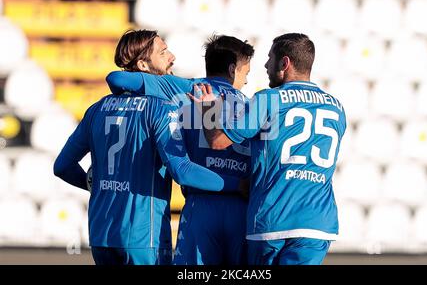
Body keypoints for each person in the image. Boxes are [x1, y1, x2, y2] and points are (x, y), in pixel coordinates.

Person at [53, 29, 236, 265]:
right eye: (163, 52)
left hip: (101, 234)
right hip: (142, 236)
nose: (172, 57)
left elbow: (62, 166)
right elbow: (182, 171)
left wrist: (95, 184)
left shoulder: (96, 109)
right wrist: (236, 185)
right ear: (143, 65)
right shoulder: (161, 108)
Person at [191, 33, 347, 265]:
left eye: (269, 58)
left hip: (273, 219)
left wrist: (207, 110)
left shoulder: (268, 99)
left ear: (284, 63)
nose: (265, 65)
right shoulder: (337, 108)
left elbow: (217, 141)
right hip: (317, 224)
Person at [105, 35, 255, 265]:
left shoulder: (185, 88)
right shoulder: (254, 105)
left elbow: (117, 78)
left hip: (201, 205)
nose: (245, 81)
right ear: (233, 69)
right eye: (246, 73)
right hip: (242, 209)